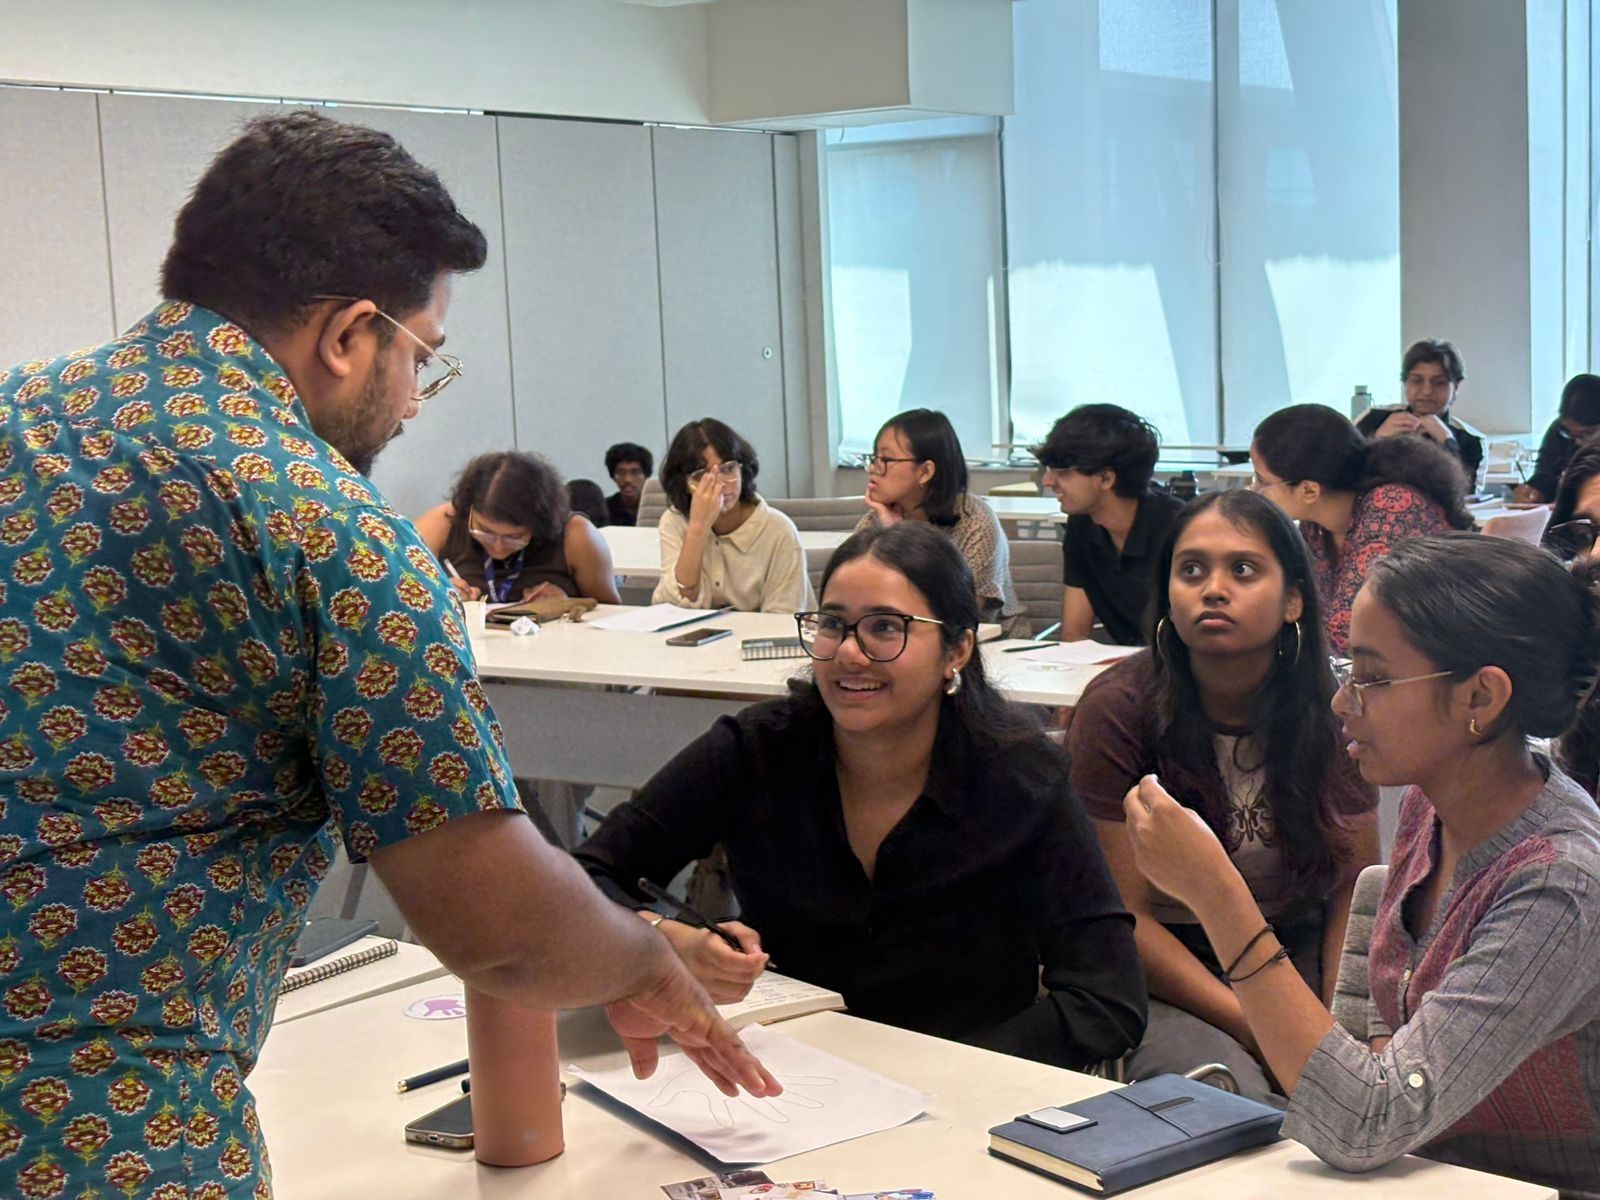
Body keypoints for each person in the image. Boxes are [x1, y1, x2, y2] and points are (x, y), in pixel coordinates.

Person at [0, 111, 773, 1200]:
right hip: (98, 1124)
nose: (413, 403)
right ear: (349, 335)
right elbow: (496, 928)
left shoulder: (19, 414)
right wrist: (647, 960)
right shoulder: (325, 525)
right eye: (423, 360)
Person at [1118, 533, 1600, 1198]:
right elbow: (1377, 1045)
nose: (1345, 703)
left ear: (1480, 699)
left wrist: (1218, 897)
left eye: (1373, 678)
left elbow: (1364, 1124)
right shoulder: (1434, 803)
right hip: (1419, 1171)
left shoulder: (1561, 881)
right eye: (1348, 672)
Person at [576, 522, 1147, 1067]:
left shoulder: (1023, 779)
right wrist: (663, 940)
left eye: (885, 627)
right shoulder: (755, 750)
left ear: (957, 650)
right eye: (833, 624)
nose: (850, 653)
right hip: (786, 1079)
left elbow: (1107, 997)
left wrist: (961, 1070)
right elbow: (584, 877)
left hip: (966, 1099)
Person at [1069, 491, 1378, 1103]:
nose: (1212, 589)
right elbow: (1127, 921)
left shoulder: (1334, 707)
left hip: (1296, 944)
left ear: (1293, 599)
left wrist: (1334, 1020)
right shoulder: (1117, 711)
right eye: (1191, 570)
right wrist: (1262, 1024)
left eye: (1242, 569)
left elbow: (1352, 886)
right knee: (1238, 1098)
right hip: (1170, 970)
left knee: (1364, 1086)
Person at [1251, 403, 1474, 655]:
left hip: (1439, 662)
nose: (1253, 490)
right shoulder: (1316, 526)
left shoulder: (1391, 509)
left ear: (1309, 490)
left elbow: (1348, 631)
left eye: (1261, 480)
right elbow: (1301, 604)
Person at [854, 408, 1028, 637]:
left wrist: (901, 537)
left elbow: (959, 613)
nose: (873, 469)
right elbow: (854, 594)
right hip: (900, 643)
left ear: (925, 471)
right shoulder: (877, 520)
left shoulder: (974, 520)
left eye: (885, 459)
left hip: (986, 647)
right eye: (873, 458)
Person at [1033, 404, 1183, 645]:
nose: (1048, 481)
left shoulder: (1179, 530)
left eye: (1062, 472)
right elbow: (1074, 636)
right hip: (1130, 670)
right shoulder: (1082, 523)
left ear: (1105, 478)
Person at [415, 451, 620, 604]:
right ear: (469, 511)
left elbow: (612, 616)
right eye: (484, 531)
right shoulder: (444, 522)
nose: (497, 546)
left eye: (514, 536)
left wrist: (570, 604)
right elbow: (401, 594)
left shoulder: (576, 535)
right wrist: (437, 593)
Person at [654, 418, 812, 613]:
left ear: (742, 469)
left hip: (763, 641)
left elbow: (783, 619)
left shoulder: (778, 529)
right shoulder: (674, 521)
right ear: (683, 483)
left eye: (728, 469)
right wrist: (698, 528)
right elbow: (671, 609)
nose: (719, 485)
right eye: (701, 475)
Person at [1356, 339, 1485, 491]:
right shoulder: (1373, 418)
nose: (1427, 391)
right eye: (1416, 381)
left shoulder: (1471, 440)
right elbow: (1342, 475)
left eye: (1439, 383)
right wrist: (1376, 440)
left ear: (1456, 387)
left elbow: (1468, 499)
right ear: (1405, 383)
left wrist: (1448, 444)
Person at [1520, 374, 1600, 503]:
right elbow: (1544, 476)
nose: (1578, 442)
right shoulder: (1559, 431)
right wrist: (1533, 492)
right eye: (1571, 435)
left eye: (1587, 434)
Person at [605, 440, 654, 527]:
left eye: (635, 472)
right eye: (621, 472)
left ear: (646, 475)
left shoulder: (659, 507)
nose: (627, 479)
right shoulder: (605, 509)